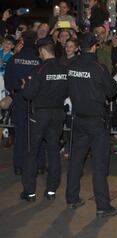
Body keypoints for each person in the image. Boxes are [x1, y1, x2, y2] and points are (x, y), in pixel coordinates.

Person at [65, 33, 117, 217]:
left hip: (78, 119)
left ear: (80, 47)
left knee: (76, 161)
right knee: (99, 164)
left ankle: (71, 198)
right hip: (96, 120)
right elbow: (112, 90)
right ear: (94, 47)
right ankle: (103, 205)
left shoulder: (71, 66)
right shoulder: (98, 68)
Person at [20, 37, 68, 201]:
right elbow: (67, 91)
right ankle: (51, 191)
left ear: (42, 51)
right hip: (58, 113)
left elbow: (28, 94)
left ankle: (30, 192)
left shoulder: (40, 70)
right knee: (53, 151)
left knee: (32, 153)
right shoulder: (64, 68)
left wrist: (24, 85)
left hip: (40, 115)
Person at [4, 31, 45, 175]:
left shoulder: (13, 59)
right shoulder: (39, 61)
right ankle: (40, 165)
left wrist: (14, 92)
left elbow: (8, 81)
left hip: (19, 99)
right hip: (36, 101)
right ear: (34, 42)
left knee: (20, 134)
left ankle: (19, 165)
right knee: (37, 134)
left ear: (22, 41)